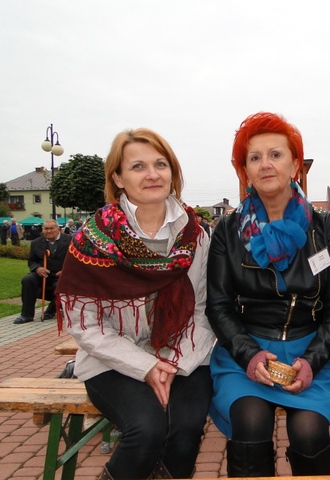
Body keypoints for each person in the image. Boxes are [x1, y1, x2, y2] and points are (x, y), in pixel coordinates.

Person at [56, 128, 214, 480]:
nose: (152, 174)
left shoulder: (195, 235)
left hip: (185, 357)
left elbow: (203, 309)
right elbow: (86, 324)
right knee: (147, 429)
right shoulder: (94, 237)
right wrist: (146, 365)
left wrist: (172, 365)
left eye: (161, 164)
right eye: (138, 166)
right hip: (111, 361)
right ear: (118, 178)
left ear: (172, 172)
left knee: (186, 430)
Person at [207, 112, 330, 477]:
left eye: (276, 154)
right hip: (246, 350)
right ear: (245, 171)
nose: (265, 164)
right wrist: (249, 355)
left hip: (312, 349)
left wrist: (314, 359)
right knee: (250, 423)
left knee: (309, 432)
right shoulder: (228, 229)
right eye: (254, 158)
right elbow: (219, 305)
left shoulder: (325, 228)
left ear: (295, 165)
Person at [13, 219, 71, 324]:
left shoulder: (70, 241)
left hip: (62, 275)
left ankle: (51, 310)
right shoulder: (36, 243)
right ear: (42, 230)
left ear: (58, 229)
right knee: (28, 279)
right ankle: (26, 314)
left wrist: (66, 271)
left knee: (60, 284)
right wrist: (37, 268)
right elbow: (32, 261)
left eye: (51, 228)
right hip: (44, 274)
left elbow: (76, 260)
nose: (48, 231)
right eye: (46, 229)